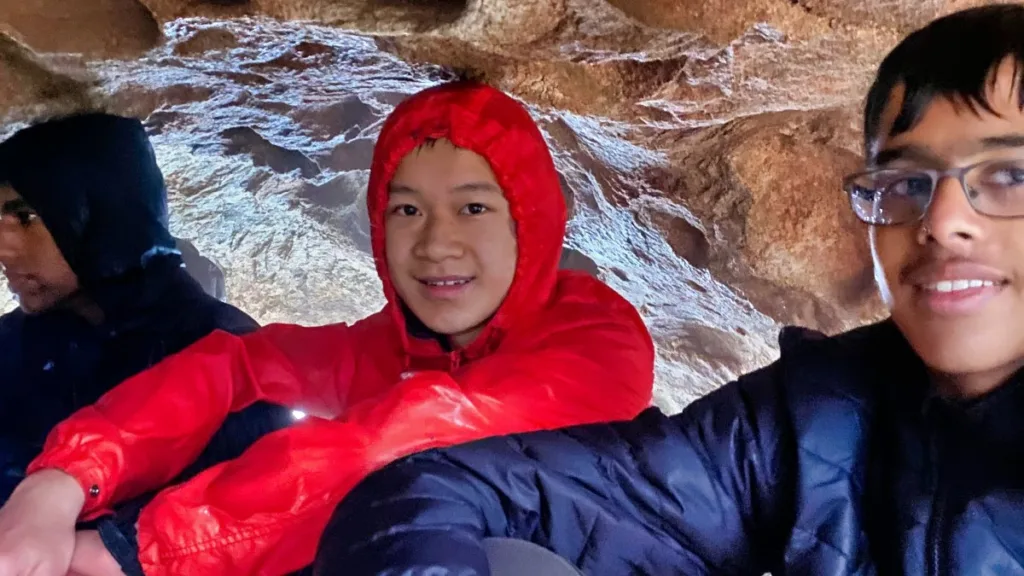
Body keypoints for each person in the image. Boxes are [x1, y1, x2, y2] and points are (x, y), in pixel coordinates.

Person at [311, 5, 1024, 575]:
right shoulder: (819, 414)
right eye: (905, 184)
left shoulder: (592, 339)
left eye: (1010, 176)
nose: (942, 222)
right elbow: (443, 491)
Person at [0, 81, 656, 576]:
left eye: (474, 207)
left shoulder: (595, 345)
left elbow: (396, 447)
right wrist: (61, 479)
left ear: (531, 220)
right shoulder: (392, 347)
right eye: (406, 209)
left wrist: (129, 550)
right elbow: (235, 365)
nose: (435, 244)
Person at [0, 113, 294, 571]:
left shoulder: (227, 357)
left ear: (103, 210)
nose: (3, 245)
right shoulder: (11, 344)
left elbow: (247, 535)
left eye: (25, 216)